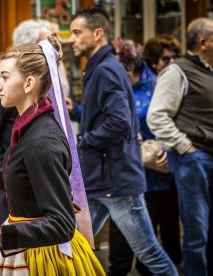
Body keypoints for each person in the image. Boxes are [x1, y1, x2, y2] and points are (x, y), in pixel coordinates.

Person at [0, 35, 105, 275]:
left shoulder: (42, 141)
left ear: (28, 84)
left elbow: (63, 224)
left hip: (42, 258)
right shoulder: (28, 127)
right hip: (29, 248)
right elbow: (22, 181)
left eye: (4, 77)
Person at [68, 8, 177, 275]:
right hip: (100, 181)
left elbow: (119, 122)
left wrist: (85, 140)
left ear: (98, 33)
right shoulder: (97, 68)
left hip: (117, 184)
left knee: (149, 253)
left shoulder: (106, 69)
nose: (72, 39)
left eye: (77, 32)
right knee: (72, 248)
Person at [108, 38, 182, 275]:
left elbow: (175, 120)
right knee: (119, 235)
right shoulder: (112, 84)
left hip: (154, 170)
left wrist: (167, 147)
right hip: (121, 170)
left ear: (129, 65)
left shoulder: (158, 84)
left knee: (148, 231)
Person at [147, 18, 213, 276]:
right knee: (197, 231)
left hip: (205, 155)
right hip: (193, 158)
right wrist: (185, 146)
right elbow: (156, 116)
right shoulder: (177, 72)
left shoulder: (208, 70)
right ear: (203, 42)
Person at [0, 19, 54, 228]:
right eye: (42, 47)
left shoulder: (43, 136)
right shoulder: (27, 126)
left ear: (29, 83)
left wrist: (2, 235)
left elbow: (59, 221)